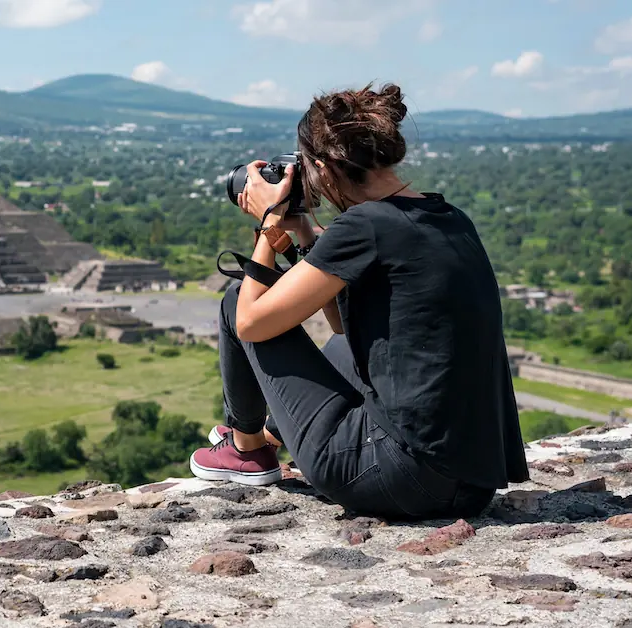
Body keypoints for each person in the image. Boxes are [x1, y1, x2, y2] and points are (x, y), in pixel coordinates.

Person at [189, 83, 529, 520]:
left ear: (324, 168)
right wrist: (305, 234)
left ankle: (247, 448)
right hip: (470, 481)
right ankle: (275, 433)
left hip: (394, 477)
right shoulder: (446, 216)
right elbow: (344, 324)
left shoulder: (365, 225)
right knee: (346, 344)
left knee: (239, 297)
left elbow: (251, 323)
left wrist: (269, 221)